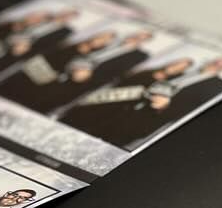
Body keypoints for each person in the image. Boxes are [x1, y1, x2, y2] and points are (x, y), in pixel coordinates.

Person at [59, 56, 194, 143]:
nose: (176, 67)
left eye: (181, 67)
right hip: (105, 101)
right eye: (177, 63)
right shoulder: (147, 71)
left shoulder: (169, 85)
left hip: (121, 113)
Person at [0, 28, 121, 114]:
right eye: (101, 36)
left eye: (106, 40)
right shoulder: (67, 44)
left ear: (106, 45)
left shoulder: (92, 60)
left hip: (42, 92)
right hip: (22, 80)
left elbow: (77, 82)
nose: (100, 40)